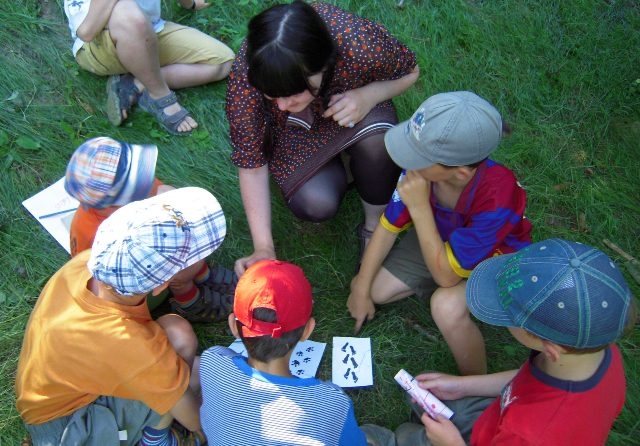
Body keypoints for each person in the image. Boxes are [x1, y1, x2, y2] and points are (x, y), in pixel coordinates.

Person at [15, 187, 227, 445]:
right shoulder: (130, 345)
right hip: (72, 427)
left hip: (51, 390)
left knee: (180, 348)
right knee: (189, 377)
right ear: (162, 286)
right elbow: (190, 414)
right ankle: (156, 439)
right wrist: (209, 431)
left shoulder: (85, 264)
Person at [226, 1, 419, 276]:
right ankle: (352, 168)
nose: (282, 106)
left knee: (378, 145)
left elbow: (410, 71)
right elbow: (252, 164)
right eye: (272, 95)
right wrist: (263, 248)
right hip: (292, 132)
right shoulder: (248, 74)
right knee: (316, 203)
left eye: (293, 93)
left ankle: (374, 224)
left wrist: (368, 95)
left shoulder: (357, 42)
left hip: (354, 106)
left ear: (325, 65)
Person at [348, 91, 533, 375]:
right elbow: (386, 227)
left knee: (445, 305)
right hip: (442, 238)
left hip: (495, 260)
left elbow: (447, 278)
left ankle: (472, 386)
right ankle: (437, 266)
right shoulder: (421, 172)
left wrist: (420, 208)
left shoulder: (498, 197)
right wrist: (361, 287)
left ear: (460, 173)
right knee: (376, 291)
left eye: (417, 156)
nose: (407, 162)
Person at [393, 238, 637, 446]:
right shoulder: (591, 347)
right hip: (497, 418)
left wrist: (452, 443)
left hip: (500, 434)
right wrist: (463, 386)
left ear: (550, 349)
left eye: (508, 315)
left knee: (405, 436)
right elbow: (527, 381)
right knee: (424, 391)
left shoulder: (528, 434)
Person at [197, 259, 395, 446]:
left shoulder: (211, 361)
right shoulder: (331, 403)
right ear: (308, 330)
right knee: (372, 437)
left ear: (233, 325)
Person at [65, 136, 237, 321]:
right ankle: (190, 301)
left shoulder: (133, 191)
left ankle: (203, 274)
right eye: (141, 186)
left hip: (149, 258)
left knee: (184, 229)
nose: (150, 184)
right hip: (133, 289)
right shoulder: (92, 235)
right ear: (113, 206)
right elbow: (115, 285)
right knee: (181, 259)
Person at [63, 0, 235, 135]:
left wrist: (190, 4)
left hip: (150, 32)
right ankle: (160, 95)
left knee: (222, 62)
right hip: (99, 47)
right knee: (127, 12)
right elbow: (87, 31)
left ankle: (135, 83)